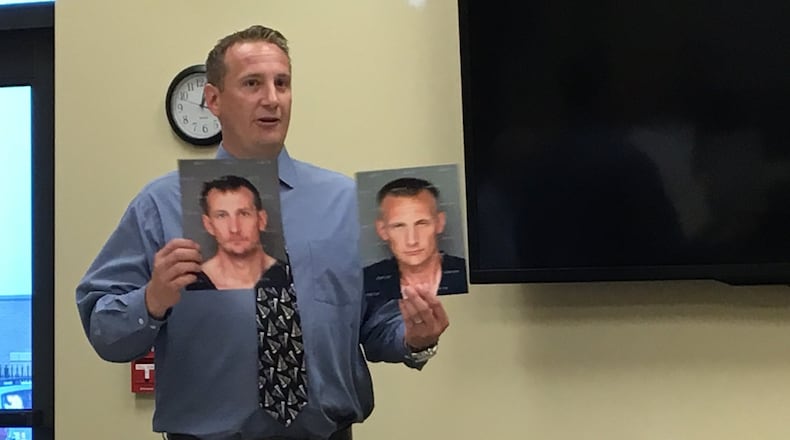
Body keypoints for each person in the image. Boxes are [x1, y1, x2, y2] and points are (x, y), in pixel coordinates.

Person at [75, 25, 449, 440]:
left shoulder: (346, 201)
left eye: (282, 83)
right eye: (252, 83)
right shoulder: (160, 204)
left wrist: (415, 338)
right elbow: (104, 332)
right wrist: (152, 300)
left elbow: (377, 329)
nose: (272, 99)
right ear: (213, 100)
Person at [364, 177, 468, 302]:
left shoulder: (466, 274)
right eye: (399, 226)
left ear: (440, 222)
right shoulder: (364, 283)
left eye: (421, 223)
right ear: (382, 230)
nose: (412, 241)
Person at [187, 174, 284, 290]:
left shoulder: (290, 275)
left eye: (244, 214)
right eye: (221, 216)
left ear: (262, 220)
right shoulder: (190, 283)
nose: (234, 229)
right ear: (209, 225)